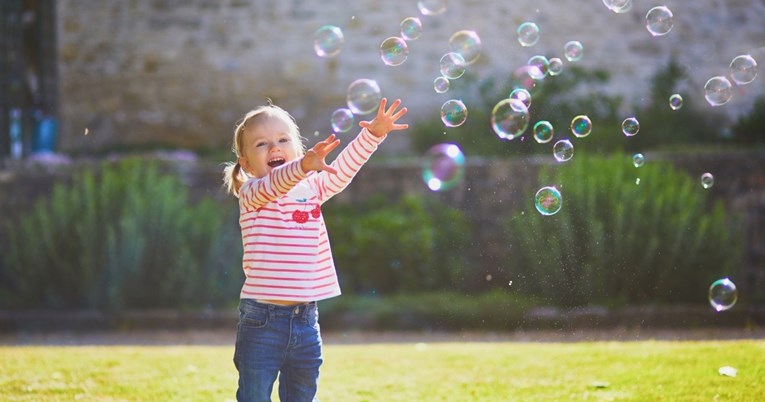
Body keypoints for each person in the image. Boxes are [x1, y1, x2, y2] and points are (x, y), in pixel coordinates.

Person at [222, 97, 408, 401]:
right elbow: (277, 184)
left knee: (303, 395)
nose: (274, 148)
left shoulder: (312, 190)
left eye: (283, 139)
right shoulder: (252, 193)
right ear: (245, 163)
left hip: (306, 318)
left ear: (298, 147)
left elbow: (343, 170)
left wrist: (372, 134)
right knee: (254, 395)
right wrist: (302, 167)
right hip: (262, 320)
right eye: (261, 144)